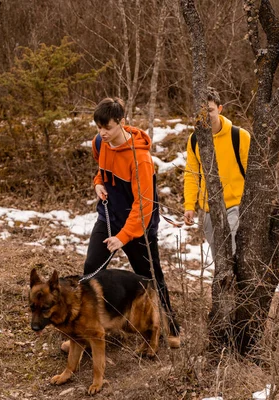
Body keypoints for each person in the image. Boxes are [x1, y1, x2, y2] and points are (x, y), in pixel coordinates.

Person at [83, 97, 180, 347]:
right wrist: (98, 184)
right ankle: (87, 332)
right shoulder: (99, 143)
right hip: (109, 217)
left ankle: (171, 328)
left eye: (108, 127)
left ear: (122, 122)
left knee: (150, 279)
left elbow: (144, 206)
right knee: (90, 272)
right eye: (99, 127)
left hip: (139, 227)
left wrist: (123, 237)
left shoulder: (141, 160)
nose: (103, 133)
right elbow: (101, 171)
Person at [183, 87, 251, 259]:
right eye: (201, 112)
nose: (206, 115)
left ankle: (239, 285)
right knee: (220, 260)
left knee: (232, 252)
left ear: (220, 109)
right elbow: (191, 174)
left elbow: (253, 174)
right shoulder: (194, 140)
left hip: (236, 206)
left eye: (210, 110)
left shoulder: (240, 136)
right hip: (208, 210)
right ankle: (224, 286)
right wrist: (189, 205)